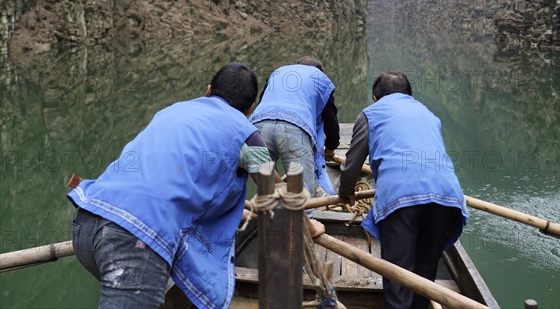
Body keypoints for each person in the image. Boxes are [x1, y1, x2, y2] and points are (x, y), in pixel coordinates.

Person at [67, 62, 282, 309]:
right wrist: (311, 225)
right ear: (250, 108)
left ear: (208, 90)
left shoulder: (173, 110)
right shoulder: (247, 135)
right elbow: (276, 194)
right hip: (136, 240)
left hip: (88, 222)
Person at [338, 70, 468, 309]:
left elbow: (352, 166)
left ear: (375, 98)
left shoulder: (371, 113)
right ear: (409, 95)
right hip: (447, 196)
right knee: (424, 277)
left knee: (398, 278)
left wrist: (345, 192)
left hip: (401, 198)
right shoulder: (429, 114)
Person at [249, 56, 340, 204]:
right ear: (320, 71)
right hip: (294, 128)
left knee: (268, 189)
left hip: (257, 127)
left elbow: (263, 102)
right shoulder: (320, 79)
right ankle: (307, 224)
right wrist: (330, 147)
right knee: (302, 197)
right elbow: (330, 120)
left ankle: (270, 220)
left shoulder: (278, 72)